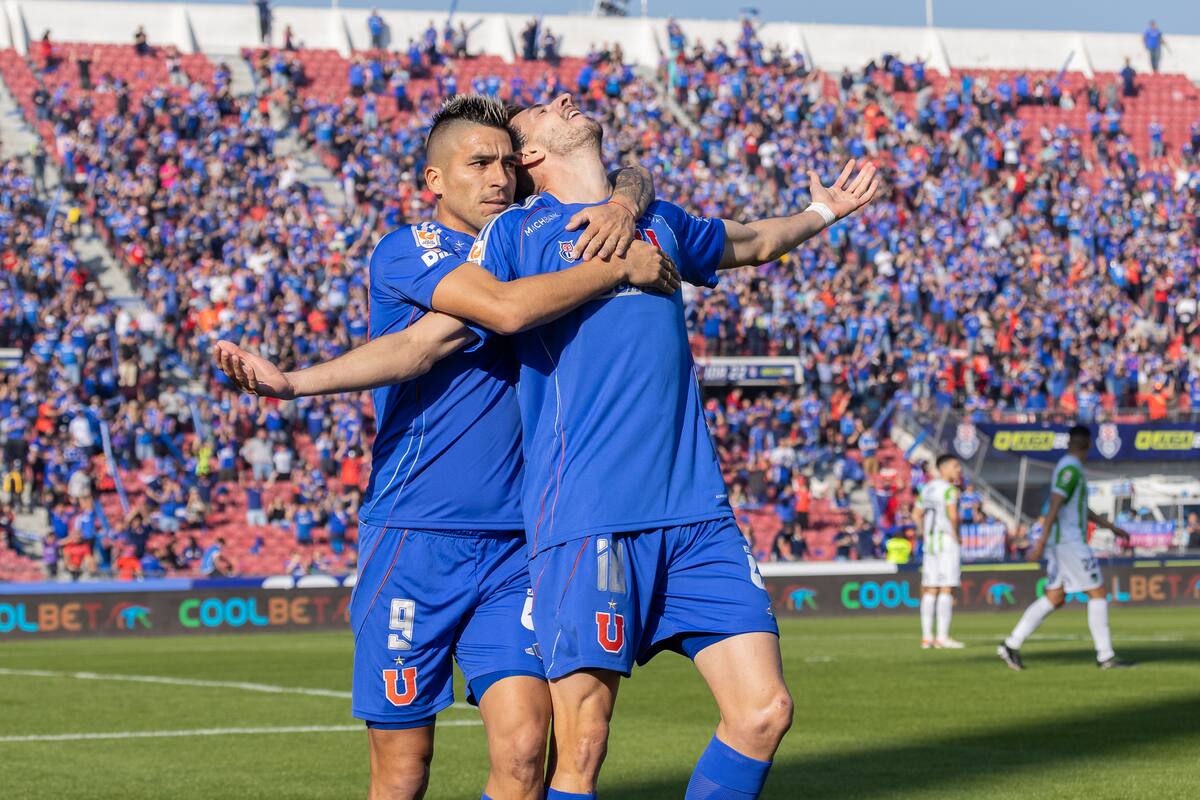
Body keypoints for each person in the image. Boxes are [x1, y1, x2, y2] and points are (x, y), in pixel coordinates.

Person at [215, 94, 667, 800]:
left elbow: (631, 172)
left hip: (520, 544)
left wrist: (623, 207)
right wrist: (295, 384)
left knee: (524, 753)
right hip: (414, 538)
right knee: (403, 772)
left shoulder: (532, 246)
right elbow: (433, 340)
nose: (498, 178)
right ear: (434, 182)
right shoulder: (414, 249)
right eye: (478, 163)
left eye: (508, 164)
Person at [998, 425, 1133, 671]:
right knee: (1097, 592)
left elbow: (1078, 508)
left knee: (1055, 597)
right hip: (1068, 542)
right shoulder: (1070, 468)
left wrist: (1111, 527)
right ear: (1088, 444)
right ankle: (1105, 656)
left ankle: (1011, 644)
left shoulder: (1072, 468)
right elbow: (1055, 504)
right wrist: (1040, 542)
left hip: (1062, 542)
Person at [913, 454, 964, 649]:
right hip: (946, 542)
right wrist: (956, 535)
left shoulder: (927, 488)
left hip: (931, 544)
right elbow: (953, 516)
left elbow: (916, 514)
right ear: (944, 468)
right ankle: (942, 637)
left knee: (930, 588)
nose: (958, 470)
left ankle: (927, 638)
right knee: (946, 588)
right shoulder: (949, 490)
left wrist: (924, 533)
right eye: (955, 466)